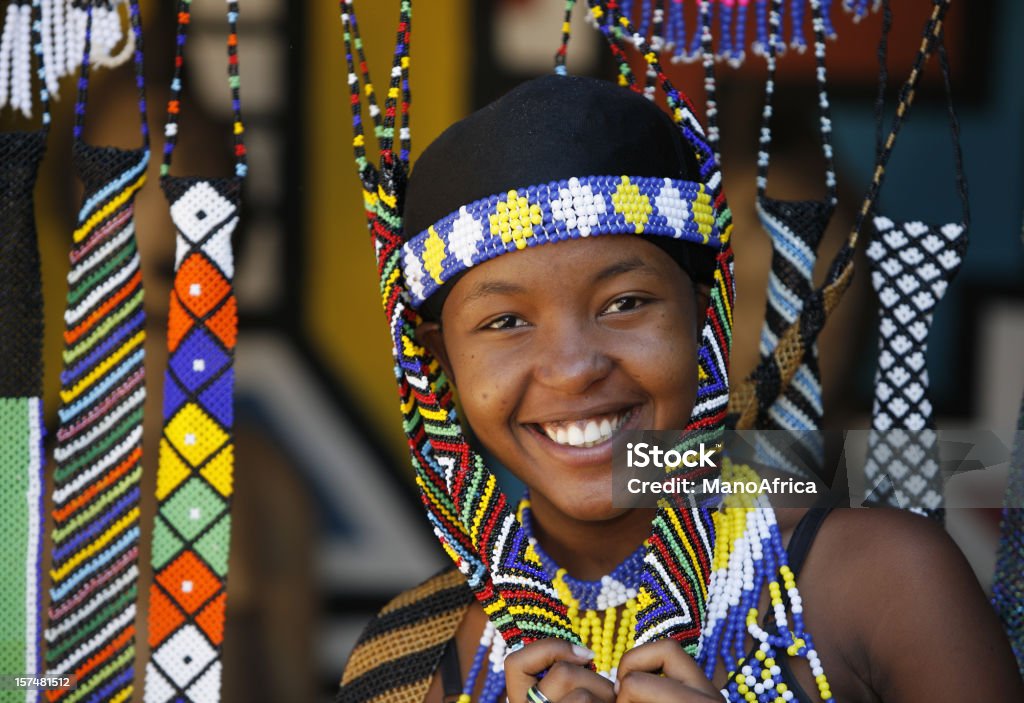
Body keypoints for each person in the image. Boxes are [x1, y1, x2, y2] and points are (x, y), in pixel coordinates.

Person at [336, 73, 1023, 703]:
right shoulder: (404, 658)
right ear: (438, 362)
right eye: (506, 320)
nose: (574, 367)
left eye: (625, 302)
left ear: (705, 317)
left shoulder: (884, 582)